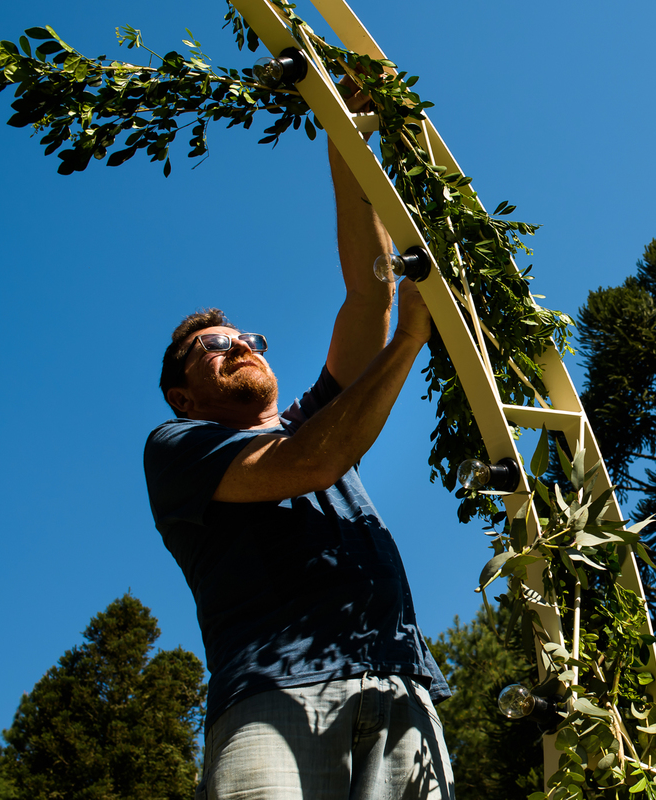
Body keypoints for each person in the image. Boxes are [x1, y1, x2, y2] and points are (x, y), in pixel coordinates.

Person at [143, 120, 454, 799]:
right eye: (214, 347)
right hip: (273, 694)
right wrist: (408, 342)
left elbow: (369, 293)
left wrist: (348, 144)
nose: (241, 345)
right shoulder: (178, 448)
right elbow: (311, 464)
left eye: (248, 336)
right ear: (183, 397)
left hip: (403, 692)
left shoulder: (312, 420)